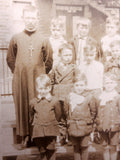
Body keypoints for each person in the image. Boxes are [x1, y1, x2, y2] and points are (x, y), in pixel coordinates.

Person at [6, 6, 53, 148]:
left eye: (33, 18)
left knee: (38, 104)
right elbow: (10, 58)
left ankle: (37, 136)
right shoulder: (16, 38)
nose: (30, 21)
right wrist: (20, 71)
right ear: (23, 19)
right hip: (21, 80)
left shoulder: (44, 39)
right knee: (22, 106)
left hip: (37, 79)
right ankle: (24, 136)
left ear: (37, 19)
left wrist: (39, 72)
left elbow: (49, 60)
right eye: (28, 18)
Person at [64, 73, 97, 160]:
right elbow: (66, 112)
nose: (79, 87)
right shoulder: (69, 97)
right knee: (76, 148)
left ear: (85, 85)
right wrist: (70, 122)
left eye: (81, 85)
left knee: (84, 147)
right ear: (73, 86)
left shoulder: (89, 97)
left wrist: (89, 122)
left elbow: (93, 112)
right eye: (77, 85)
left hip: (85, 126)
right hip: (73, 126)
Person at [30, 74, 61, 160]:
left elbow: (58, 115)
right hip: (38, 131)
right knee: (42, 151)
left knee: (51, 150)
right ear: (36, 89)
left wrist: (52, 122)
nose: (43, 91)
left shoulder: (54, 101)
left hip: (51, 130)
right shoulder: (33, 102)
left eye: (45, 88)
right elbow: (31, 115)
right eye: (40, 88)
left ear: (49, 88)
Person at [49, 43, 76, 145]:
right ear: (60, 56)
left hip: (69, 95)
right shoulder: (55, 68)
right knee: (59, 117)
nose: (68, 58)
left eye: (70, 55)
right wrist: (51, 94)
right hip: (58, 94)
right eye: (65, 55)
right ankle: (61, 136)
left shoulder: (74, 67)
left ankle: (70, 136)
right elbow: (51, 81)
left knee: (69, 115)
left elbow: (77, 81)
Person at [96, 74, 120, 160]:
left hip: (114, 125)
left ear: (115, 84)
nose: (109, 85)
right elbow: (96, 111)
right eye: (107, 83)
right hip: (102, 125)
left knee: (113, 147)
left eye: (111, 83)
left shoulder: (117, 97)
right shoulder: (100, 97)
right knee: (105, 147)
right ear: (103, 84)